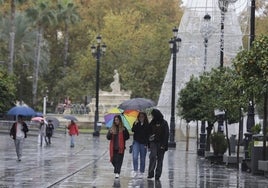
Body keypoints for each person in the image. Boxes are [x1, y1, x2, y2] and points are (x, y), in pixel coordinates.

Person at [147, 109, 169, 181]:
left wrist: (164, 145)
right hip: (153, 142)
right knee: (153, 156)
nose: (153, 116)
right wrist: (150, 137)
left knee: (160, 159)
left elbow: (166, 135)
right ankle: (150, 173)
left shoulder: (164, 123)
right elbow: (148, 132)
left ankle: (158, 175)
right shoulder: (152, 123)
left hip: (161, 143)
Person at [131, 112, 150, 178]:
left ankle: (141, 171)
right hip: (136, 142)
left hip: (143, 143)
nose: (141, 118)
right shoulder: (136, 123)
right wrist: (135, 124)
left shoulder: (147, 125)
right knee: (135, 157)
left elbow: (148, 135)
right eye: (140, 117)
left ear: (145, 117)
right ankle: (135, 170)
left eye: (142, 117)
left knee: (142, 158)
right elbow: (133, 130)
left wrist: (147, 144)